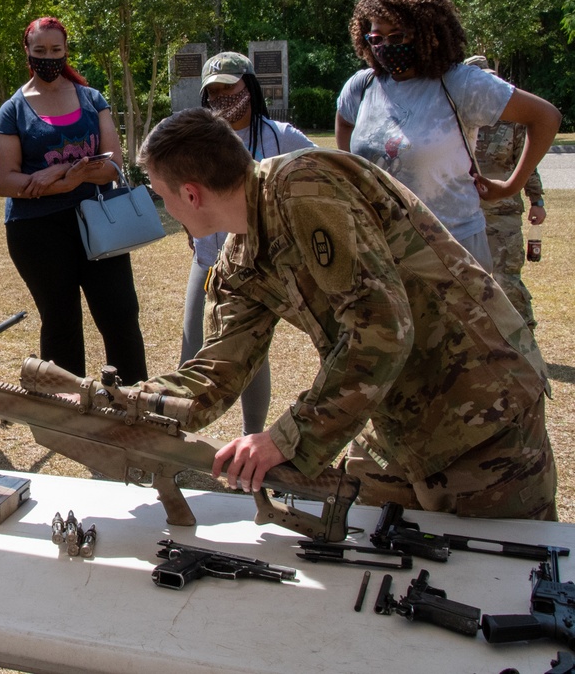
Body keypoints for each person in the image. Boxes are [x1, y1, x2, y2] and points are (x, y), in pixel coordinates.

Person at [136, 108, 556, 520]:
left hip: (480, 407)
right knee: (369, 559)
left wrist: (286, 438)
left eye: (160, 194)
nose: (166, 207)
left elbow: (382, 329)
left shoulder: (303, 188)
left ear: (190, 194)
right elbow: (217, 371)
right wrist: (116, 406)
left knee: (505, 573)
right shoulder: (240, 258)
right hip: (391, 417)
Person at [335, 0, 560, 273]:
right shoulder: (363, 86)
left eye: (397, 36)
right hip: (380, 250)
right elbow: (344, 122)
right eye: (376, 39)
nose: (385, 46)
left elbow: (545, 117)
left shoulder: (460, 84)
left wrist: (510, 186)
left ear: (425, 32)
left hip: (453, 249)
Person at [0, 16, 148, 384]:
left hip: (98, 221)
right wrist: (67, 181)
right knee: (61, 323)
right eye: (40, 50)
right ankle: (67, 414)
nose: (49, 57)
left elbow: (113, 166)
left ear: (66, 51)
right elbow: (5, 181)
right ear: (27, 51)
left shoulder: (92, 100)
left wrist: (53, 174)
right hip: (37, 231)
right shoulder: (13, 110)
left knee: (121, 315)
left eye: (56, 50)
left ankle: (134, 407)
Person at [182, 52, 314, 435]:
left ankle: (252, 436)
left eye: (230, 88)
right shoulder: (198, 141)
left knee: (253, 356)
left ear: (250, 88)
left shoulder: (281, 137)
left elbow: (321, 176)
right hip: (210, 263)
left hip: (260, 269)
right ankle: (173, 440)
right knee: (193, 349)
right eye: (214, 92)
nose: (223, 98)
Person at [463, 55, 545, 330]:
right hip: (463, 211)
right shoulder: (456, 118)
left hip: (503, 212)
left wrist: (537, 200)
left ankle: (523, 335)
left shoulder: (513, 120)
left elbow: (527, 164)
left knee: (506, 276)